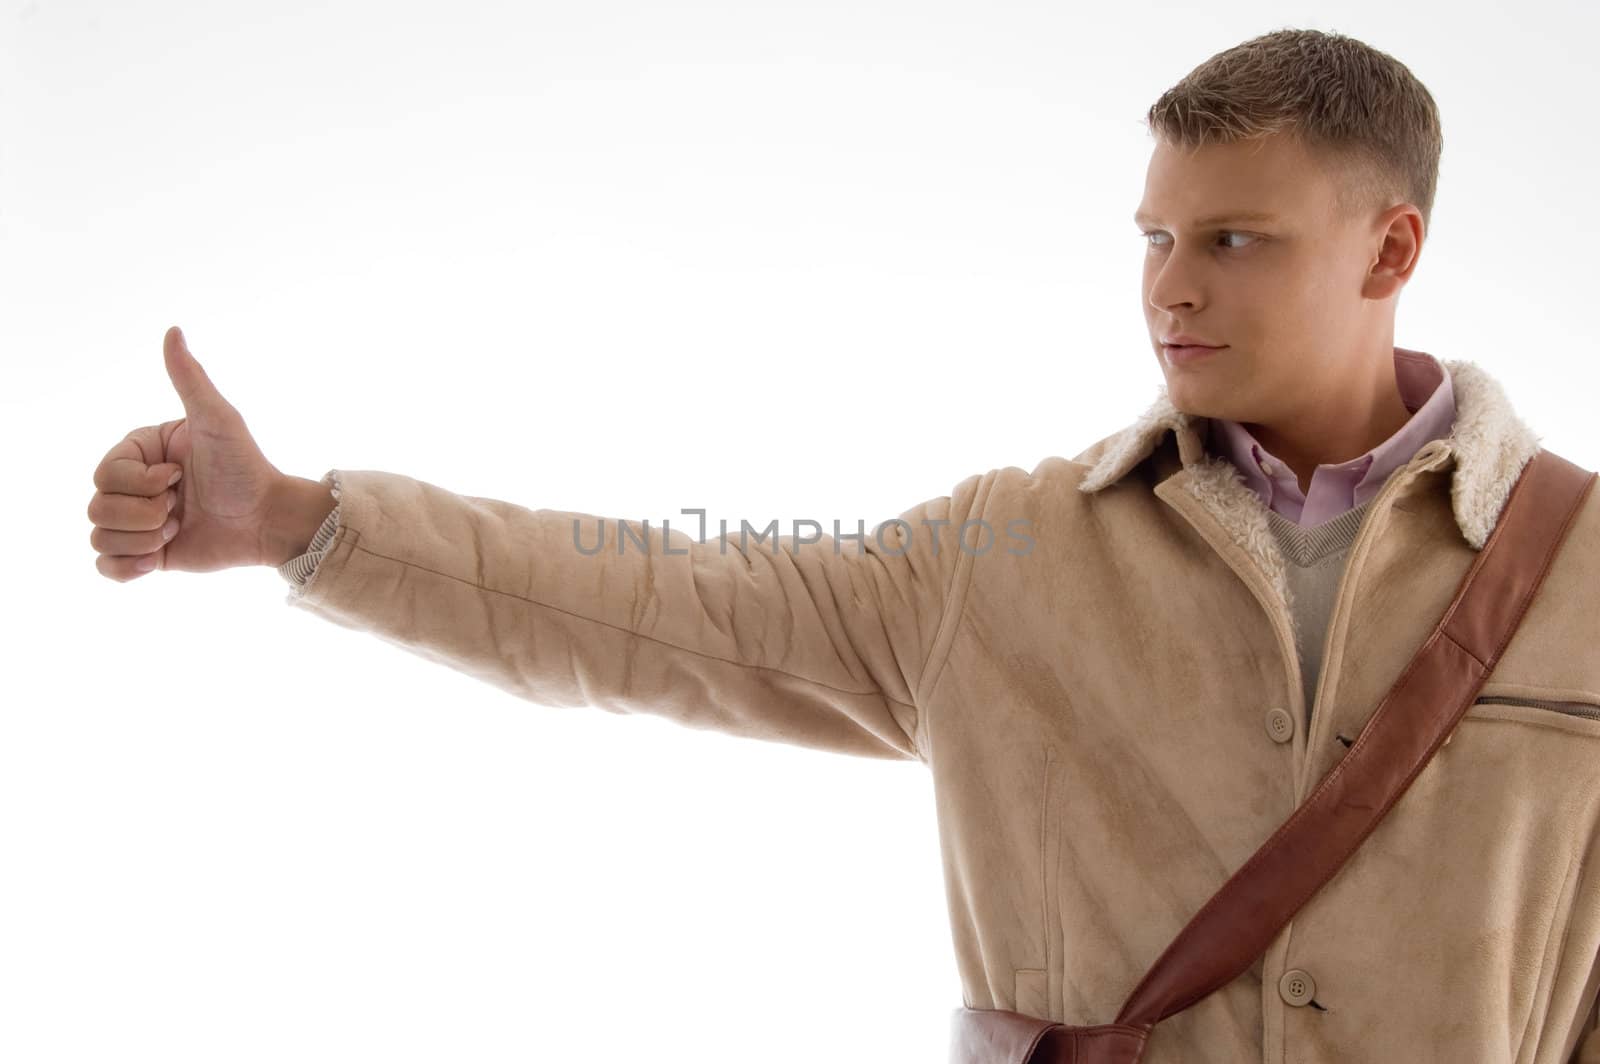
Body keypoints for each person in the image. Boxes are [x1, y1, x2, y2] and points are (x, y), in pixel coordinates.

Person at [86, 27, 1600, 1063]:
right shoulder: (1008, 552)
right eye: (1154, 237)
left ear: (1390, 250)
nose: (1169, 290)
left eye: (1235, 240)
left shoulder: (1584, 566)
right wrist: (295, 525)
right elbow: (655, 598)